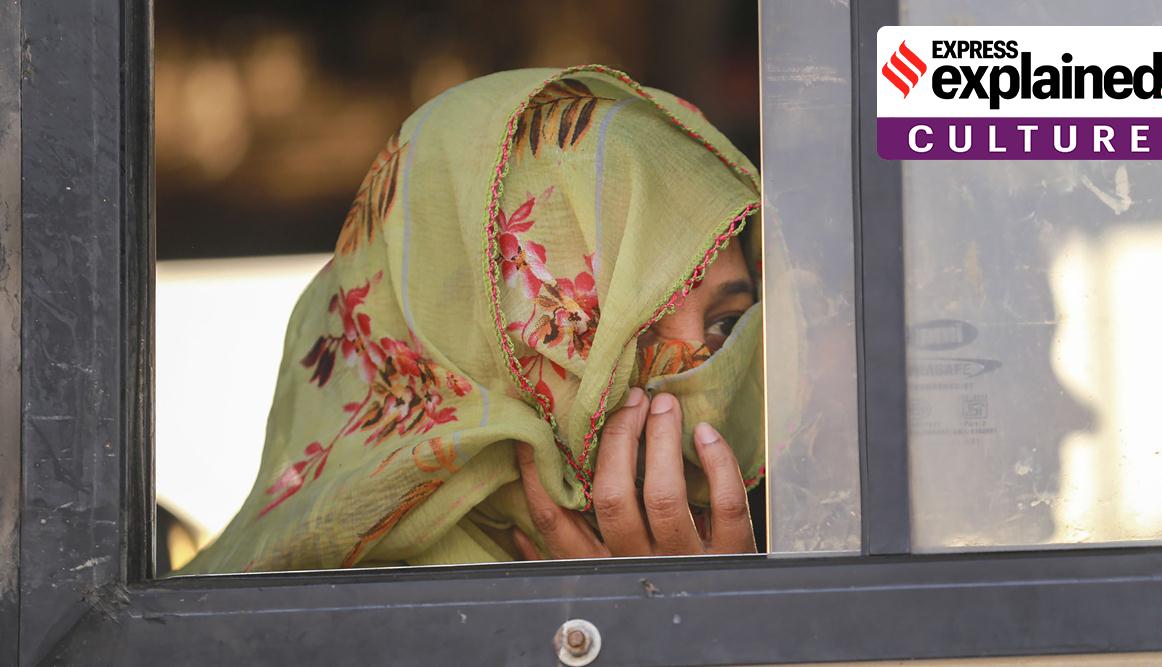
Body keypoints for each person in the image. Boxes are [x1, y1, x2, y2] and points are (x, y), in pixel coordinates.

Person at [181, 65, 764, 573]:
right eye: (620, 331)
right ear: (472, 348)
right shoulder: (265, 618)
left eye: (727, 325)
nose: (699, 375)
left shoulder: (798, 535)